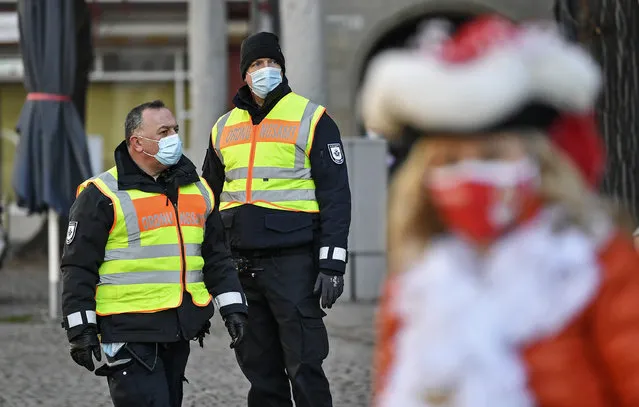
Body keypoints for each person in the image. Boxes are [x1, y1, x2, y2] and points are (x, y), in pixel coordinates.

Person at [360, 16, 639, 407]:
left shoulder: (595, 264)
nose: (469, 173)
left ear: (538, 161)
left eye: (491, 155)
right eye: (449, 160)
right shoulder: (415, 278)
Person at [61, 100, 248, 407]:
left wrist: (234, 308)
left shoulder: (198, 190)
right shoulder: (101, 195)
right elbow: (77, 267)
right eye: (164, 131)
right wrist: (80, 328)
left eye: (175, 129)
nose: (174, 137)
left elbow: (216, 257)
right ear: (137, 142)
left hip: (178, 328)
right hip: (128, 331)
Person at [201, 32, 351, 407]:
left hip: (294, 264)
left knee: (305, 365)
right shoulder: (222, 128)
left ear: (282, 68)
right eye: (255, 64)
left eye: (271, 63)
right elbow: (205, 198)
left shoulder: (312, 118)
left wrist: (332, 263)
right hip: (241, 265)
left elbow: (335, 195)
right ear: (244, 73)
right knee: (259, 371)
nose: (264, 70)